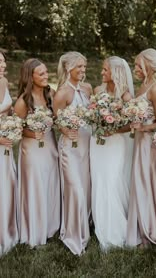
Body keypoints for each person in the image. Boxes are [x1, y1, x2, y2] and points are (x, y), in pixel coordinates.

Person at [14, 58, 60, 247]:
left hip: (50, 145)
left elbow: (58, 118)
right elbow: (15, 129)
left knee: (50, 183)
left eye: (46, 72)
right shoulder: (23, 102)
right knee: (35, 186)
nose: (46, 76)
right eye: (41, 73)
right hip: (31, 150)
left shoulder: (51, 93)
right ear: (30, 77)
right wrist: (33, 133)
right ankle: (34, 229)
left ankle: (50, 226)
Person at [90, 56, 134, 250]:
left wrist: (114, 129)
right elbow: (91, 114)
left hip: (115, 143)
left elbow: (132, 124)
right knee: (99, 180)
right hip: (97, 143)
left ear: (115, 72)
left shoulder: (125, 96)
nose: (102, 73)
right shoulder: (97, 91)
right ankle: (101, 223)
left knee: (113, 181)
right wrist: (97, 122)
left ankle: (116, 229)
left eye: (105, 70)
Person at [53, 51, 92, 255]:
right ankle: (74, 236)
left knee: (84, 189)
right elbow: (57, 120)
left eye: (84, 67)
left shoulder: (87, 88)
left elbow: (92, 113)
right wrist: (66, 130)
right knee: (75, 190)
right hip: (70, 148)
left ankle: (84, 225)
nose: (83, 70)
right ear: (68, 68)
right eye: (79, 67)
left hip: (87, 146)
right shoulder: (62, 93)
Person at [127, 48, 156, 247]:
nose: (135, 69)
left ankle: (149, 234)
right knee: (138, 181)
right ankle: (139, 227)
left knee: (146, 183)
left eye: (138, 65)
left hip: (149, 144)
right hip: (139, 141)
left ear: (148, 66)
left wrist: (144, 127)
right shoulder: (143, 85)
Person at [0, 51, 18, 255]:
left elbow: (7, 111)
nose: (3, 65)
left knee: (6, 184)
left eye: (3, 61)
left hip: (6, 143)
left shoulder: (3, 81)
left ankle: (6, 231)